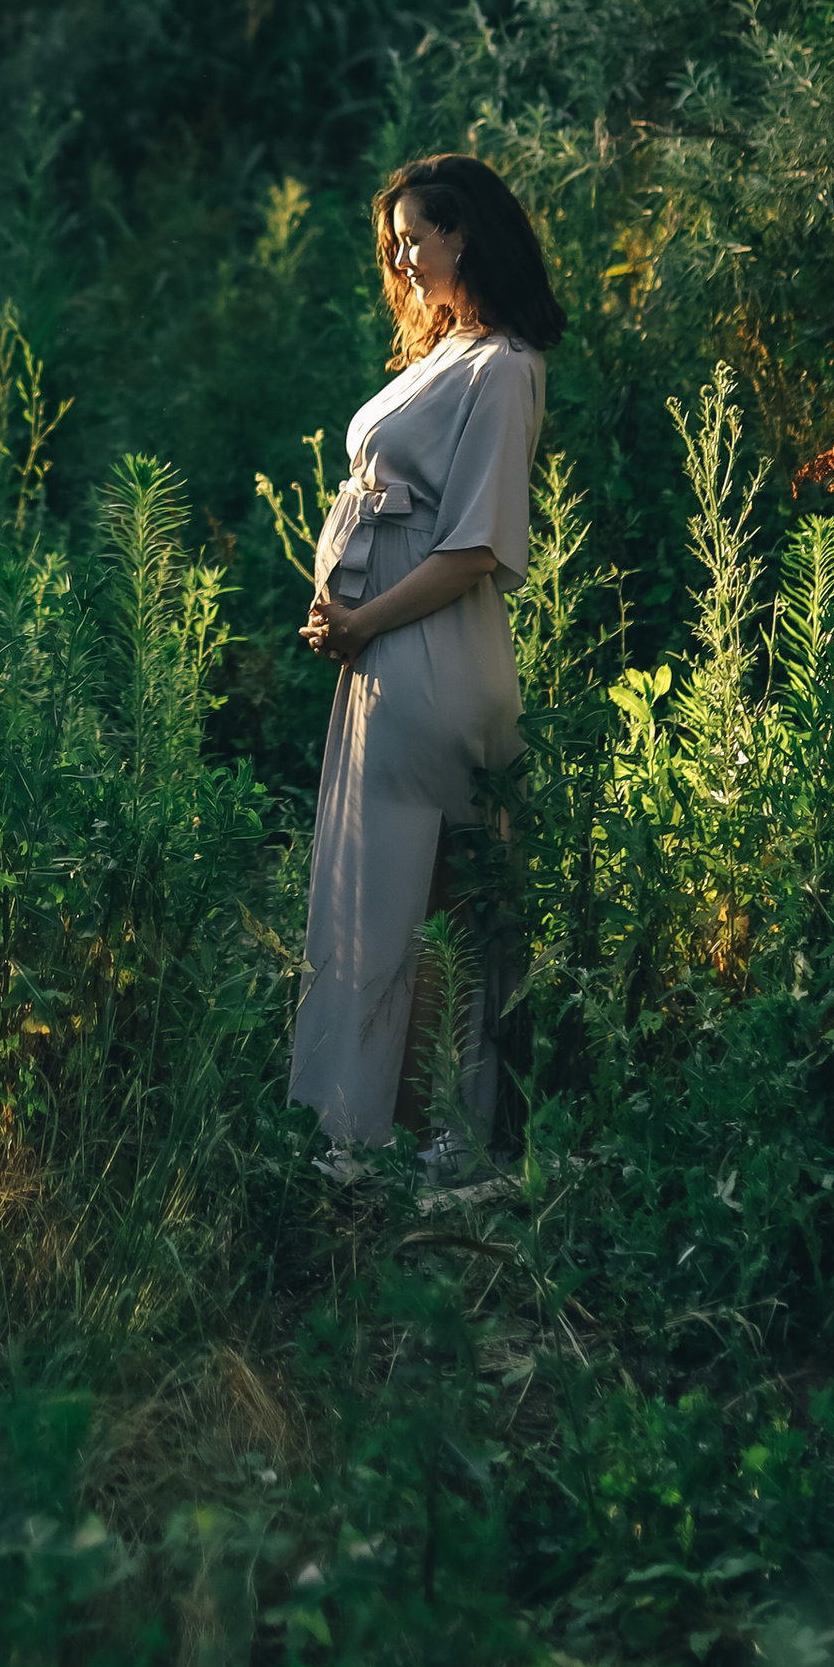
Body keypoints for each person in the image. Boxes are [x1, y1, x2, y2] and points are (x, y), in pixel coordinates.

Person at [289, 152, 566, 1169]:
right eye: (395, 240)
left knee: (429, 901)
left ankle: (438, 1137)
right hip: (385, 660)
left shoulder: (502, 368)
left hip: (434, 662)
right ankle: (367, 1126)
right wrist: (340, 614)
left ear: (466, 236)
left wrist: (363, 623)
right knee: (378, 894)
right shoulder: (446, 358)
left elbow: (476, 546)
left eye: (415, 236)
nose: (401, 259)